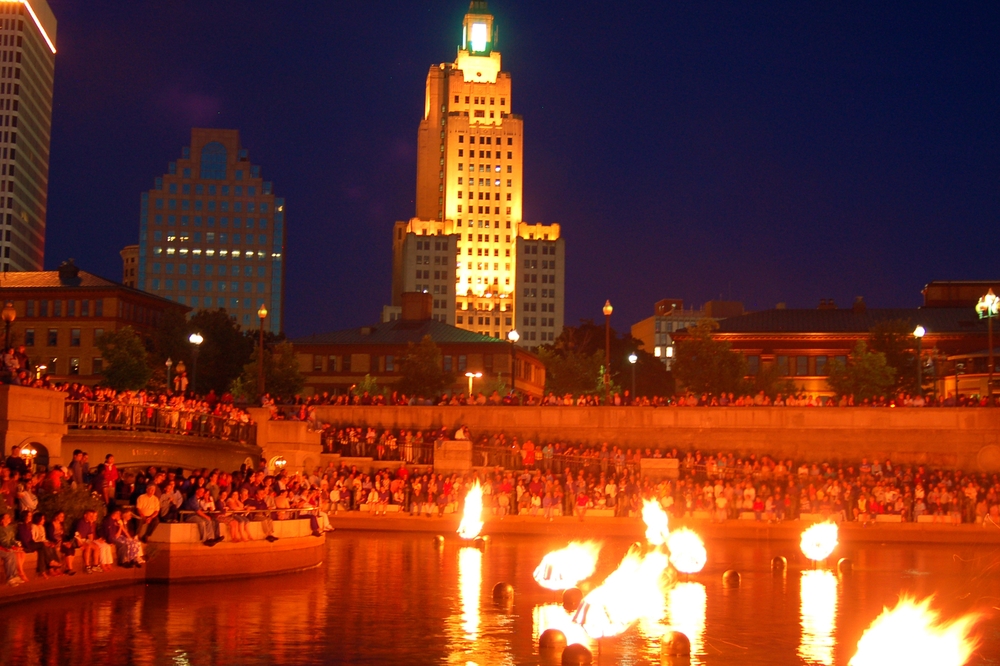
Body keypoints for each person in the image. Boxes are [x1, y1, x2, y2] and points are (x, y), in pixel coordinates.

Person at [0, 511, 27, 585]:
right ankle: (10, 578)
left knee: (15, 553)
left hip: (6, 547)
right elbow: (3, 541)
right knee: (9, 554)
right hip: (2, 548)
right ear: (2, 520)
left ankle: (15, 576)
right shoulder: (1, 529)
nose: (10, 518)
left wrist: (17, 544)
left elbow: (12, 539)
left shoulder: (10, 528)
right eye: (7, 517)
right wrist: (11, 547)